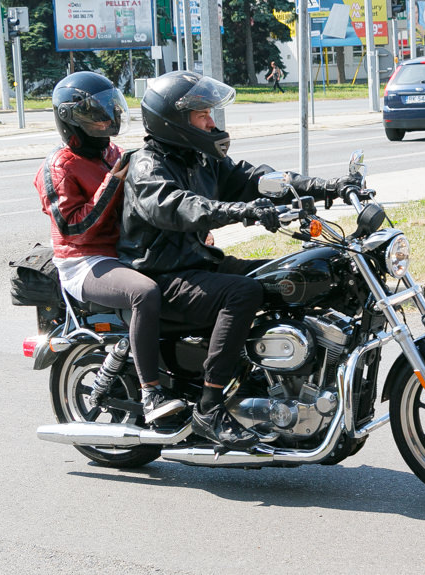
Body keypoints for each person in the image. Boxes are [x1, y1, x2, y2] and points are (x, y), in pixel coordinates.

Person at [117, 71, 361, 450]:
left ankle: (290, 385)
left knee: (293, 275)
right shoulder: (147, 166)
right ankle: (210, 407)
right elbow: (178, 206)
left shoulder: (202, 160)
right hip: (164, 275)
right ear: (175, 121)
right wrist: (240, 211)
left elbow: (259, 179)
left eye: (210, 114)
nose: (211, 123)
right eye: (202, 116)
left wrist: (326, 186)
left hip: (199, 265)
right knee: (242, 293)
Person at [35, 71, 185, 424]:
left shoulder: (112, 152)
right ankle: (151, 392)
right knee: (145, 294)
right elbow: (74, 228)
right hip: (85, 262)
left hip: (124, 252)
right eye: (96, 114)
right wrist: (110, 183)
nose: (108, 119)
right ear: (71, 118)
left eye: (109, 109)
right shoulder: (58, 167)